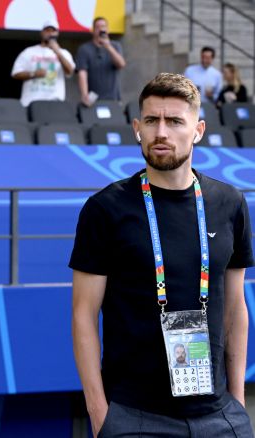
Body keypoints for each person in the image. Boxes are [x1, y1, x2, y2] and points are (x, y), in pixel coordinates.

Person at [71, 73, 254, 437]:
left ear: (198, 130)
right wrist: (99, 412)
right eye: (152, 121)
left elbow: (236, 307)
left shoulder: (228, 203)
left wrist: (237, 400)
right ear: (137, 127)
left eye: (174, 121)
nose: (161, 133)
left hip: (219, 414)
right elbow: (83, 314)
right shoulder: (105, 208)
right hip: (134, 416)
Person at [11, 17, 75, 107]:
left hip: (54, 102)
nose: (50, 33)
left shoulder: (64, 53)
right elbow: (15, 73)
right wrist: (33, 74)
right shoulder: (29, 51)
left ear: (57, 33)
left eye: (53, 31)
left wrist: (57, 51)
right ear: (42, 33)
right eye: (47, 30)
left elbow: (70, 71)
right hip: (30, 102)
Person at [76, 17, 125, 106]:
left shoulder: (115, 45)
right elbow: (82, 73)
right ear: (93, 30)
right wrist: (84, 94)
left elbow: (121, 64)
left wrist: (108, 46)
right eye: (98, 27)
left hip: (113, 98)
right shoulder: (84, 49)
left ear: (108, 30)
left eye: (104, 26)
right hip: (93, 99)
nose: (101, 29)